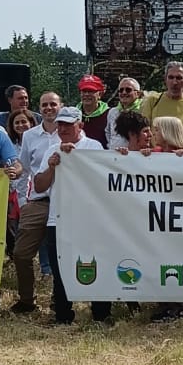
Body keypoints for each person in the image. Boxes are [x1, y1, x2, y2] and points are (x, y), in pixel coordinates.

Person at [32, 107, 109, 327]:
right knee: (60, 268)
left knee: (96, 264)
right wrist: (51, 167)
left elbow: (102, 180)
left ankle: (101, 313)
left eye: (68, 124)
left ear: (80, 125)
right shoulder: (51, 149)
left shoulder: (93, 146)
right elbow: (39, 186)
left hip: (89, 219)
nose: (63, 129)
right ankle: (63, 315)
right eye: (60, 124)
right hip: (59, 218)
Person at [8, 93, 64, 315]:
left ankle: (58, 300)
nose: (49, 108)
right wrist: (16, 176)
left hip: (65, 202)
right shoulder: (30, 135)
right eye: (45, 105)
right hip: (38, 200)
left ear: (61, 106)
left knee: (62, 254)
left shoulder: (71, 132)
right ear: (39, 108)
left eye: (53, 104)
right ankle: (26, 300)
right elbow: (23, 166)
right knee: (21, 254)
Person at [140, 61, 183, 127]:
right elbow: (143, 128)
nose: (175, 82)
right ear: (165, 79)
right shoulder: (153, 100)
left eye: (179, 78)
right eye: (171, 77)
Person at [106, 77, 144, 150]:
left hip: (135, 155)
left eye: (128, 90)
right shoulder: (112, 112)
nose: (124, 92)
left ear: (138, 93)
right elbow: (108, 133)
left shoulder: (143, 110)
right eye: (121, 90)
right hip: (114, 154)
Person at [76, 75, 113, 149]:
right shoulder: (73, 114)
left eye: (91, 91)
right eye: (84, 91)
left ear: (100, 94)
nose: (86, 94)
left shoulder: (109, 114)